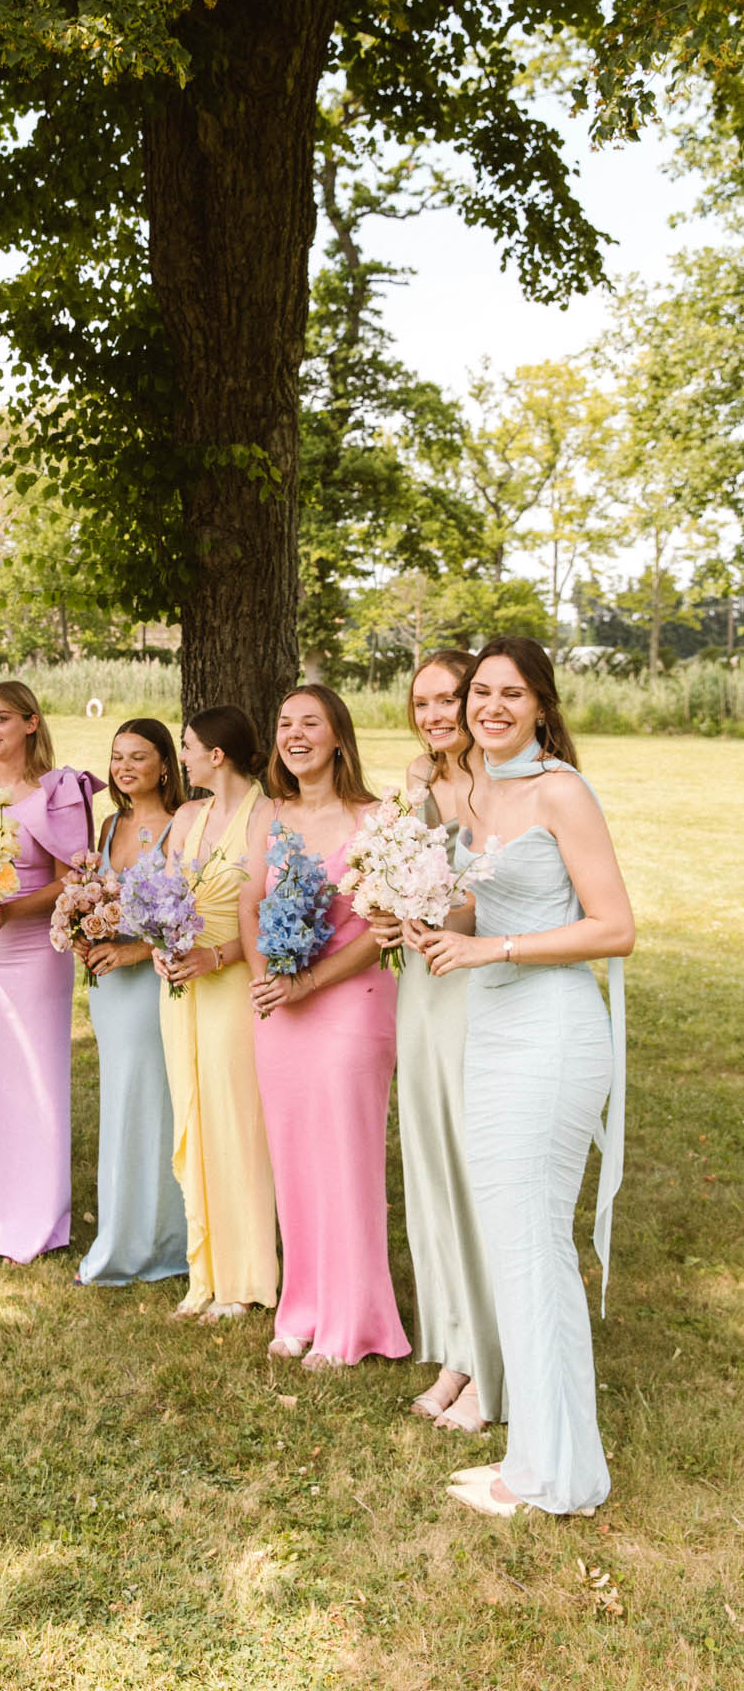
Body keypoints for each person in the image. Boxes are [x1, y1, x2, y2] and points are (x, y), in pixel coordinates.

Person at [412, 638, 631, 1518]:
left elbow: (613, 927)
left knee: (535, 1247)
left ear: (541, 705)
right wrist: (424, 910)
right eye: (480, 693)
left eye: (511, 694)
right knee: (517, 1249)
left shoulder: (558, 791)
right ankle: (534, 1458)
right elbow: (478, 904)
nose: (489, 707)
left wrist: (488, 946)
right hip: (493, 1025)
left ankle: (556, 1477)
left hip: (551, 1031)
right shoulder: (481, 792)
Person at [240, 685, 410, 1370]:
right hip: (279, 1013)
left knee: (346, 1160)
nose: (295, 734)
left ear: (339, 735)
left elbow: (382, 927)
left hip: (351, 1004)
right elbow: (251, 904)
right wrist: (266, 979)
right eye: (284, 723)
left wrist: (307, 980)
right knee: (294, 1160)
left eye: (311, 722)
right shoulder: (271, 815)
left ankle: (353, 1320)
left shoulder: (378, 816)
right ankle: (302, 1309)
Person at [369, 651, 504, 1433]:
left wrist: (432, 916)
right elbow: (395, 880)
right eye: (420, 703)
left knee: (474, 1167)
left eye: (446, 698)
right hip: (420, 987)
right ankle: (454, 1345)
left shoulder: (502, 788)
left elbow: (503, 902)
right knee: (428, 1166)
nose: (432, 715)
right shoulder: (417, 787)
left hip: (479, 991)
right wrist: (388, 914)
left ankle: (492, 1355)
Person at [0, 680, 99, 1263]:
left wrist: (13, 910)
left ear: (31, 723)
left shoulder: (58, 791)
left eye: (1, 718)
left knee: (36, 1073)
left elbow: (71, 877)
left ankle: (37, 1216)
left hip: (35, 946)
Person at [158, 706, 277, 1323]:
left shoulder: (266, 818)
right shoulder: (186, 816)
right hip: (183, 987)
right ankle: (203, 1272)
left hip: (233, 985)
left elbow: (265, 914)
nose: (182, 755)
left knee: (236, 1125)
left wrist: (218, 954)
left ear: (217, 756)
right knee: (194, 1117)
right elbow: (165, 895)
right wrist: (161, 947)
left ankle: (246, 1276)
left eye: (187, 745)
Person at [73, 719, 188, 1288]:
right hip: (108, 986)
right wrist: (81, 929)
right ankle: (122, 1230)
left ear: (165, 765)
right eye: (117, 757)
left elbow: (188, 918)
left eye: (138, 757)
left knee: (150, 1104)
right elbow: (96, 892)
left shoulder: (180, 826)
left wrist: (134, 953)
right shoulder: (111, 823)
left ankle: (158, 1239)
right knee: (120, 1101)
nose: (124, 767)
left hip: (150, 981)